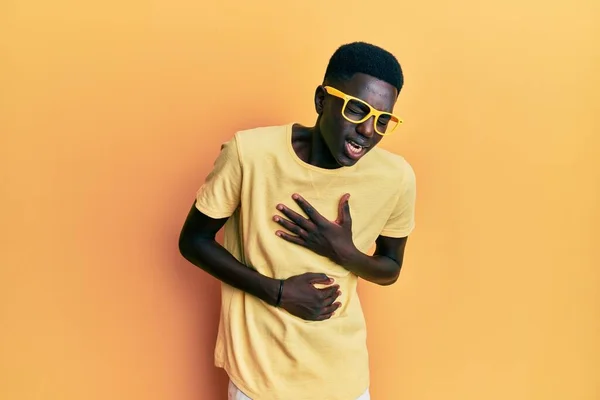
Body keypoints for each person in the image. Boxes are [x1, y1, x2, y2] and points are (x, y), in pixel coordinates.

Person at [178, 41, 416, 400]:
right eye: (357, 110)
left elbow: (391, 267)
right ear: (322, 100)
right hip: (260, 378)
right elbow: (192, 241)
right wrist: (277, 293)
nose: (368, 130)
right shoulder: (251, 154)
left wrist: (345, 253)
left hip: (344, 380)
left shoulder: (396, 177)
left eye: (382, 119)